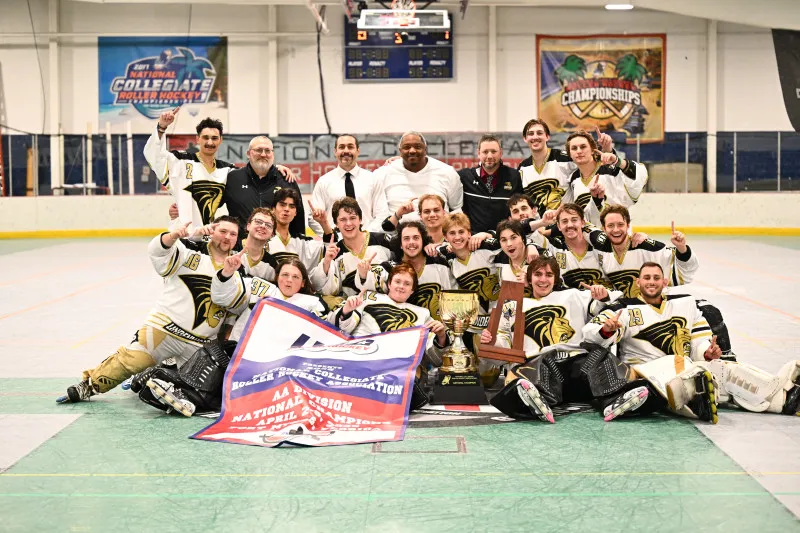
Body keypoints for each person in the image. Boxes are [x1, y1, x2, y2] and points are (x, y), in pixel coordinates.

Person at [56, 216, 241, 404]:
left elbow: (234, 310)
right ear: (212, 231)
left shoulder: (238, 267)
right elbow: (157, 252)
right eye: (222, 231)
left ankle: (154, 373)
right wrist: (173, 235)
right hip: (164, 329)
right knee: (132, 360)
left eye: (233, 234)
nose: (227, 237)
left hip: (200, 343)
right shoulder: (189, 251)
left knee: (208, 390)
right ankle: (88, 386)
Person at [583, 263, 800, 421]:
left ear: (665, 282)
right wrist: (606, 329)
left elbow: (699, 340)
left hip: (687, 367)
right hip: (647, 375)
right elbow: (589, 334)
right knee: (682, 367)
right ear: (638, 282)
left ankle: (783, 399)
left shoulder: (686, 304)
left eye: (656, 278)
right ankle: (695, 399)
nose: (651, 282)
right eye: (646, 278)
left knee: (725, 369)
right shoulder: (623, 308)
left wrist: (707, 352)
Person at [135, 257, 326, 417]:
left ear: (303, 282)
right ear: (277, 277)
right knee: (216, 351)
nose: (289, 280)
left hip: (274, 363)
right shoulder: (259, 287)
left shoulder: (311, 304)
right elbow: (222, 295)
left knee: (222, 365)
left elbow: (320, 335)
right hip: (239, 352)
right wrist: (226, 274)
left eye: (295, 277)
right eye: (284, 275)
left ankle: (184, 392)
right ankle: (171, 381)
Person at [479, 256, 628, 423]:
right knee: (530, 370)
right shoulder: (512, 306)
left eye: (549, 275)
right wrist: (491, 342)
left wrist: (603, 294)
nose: (543, 279)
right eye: (538, 274)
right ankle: (538, 400)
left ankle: (614, 401)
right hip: (542, 369)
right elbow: (503, 348)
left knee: (600, 356)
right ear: (529, 278)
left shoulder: (574, 295)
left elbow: (609, 301)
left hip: (578, 368)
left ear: (556, 279)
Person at [328, 263, 450, 409]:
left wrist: (441, 336)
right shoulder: (367, 298)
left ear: (412, 290)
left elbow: (434, 359)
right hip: (363, 360)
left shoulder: (422, 314)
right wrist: (347, 310)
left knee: (408, 381)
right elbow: (341, 328)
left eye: (407, 284)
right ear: (389, 284)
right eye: (397, 281)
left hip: (398, 370)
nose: (401, 286)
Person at [145, 113, 234, 229]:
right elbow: (155, 155)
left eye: (214, 138)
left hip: (209, 235)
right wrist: (161, 127)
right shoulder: (180, 161)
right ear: (197, 139)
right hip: (182, 234)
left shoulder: (227, 170)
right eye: (205, 137)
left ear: (221, 140)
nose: (210, 142)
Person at [356, 220, 455, 321]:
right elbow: (368, 285)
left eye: (416, 238)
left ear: (423, 241)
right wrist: (363, 273)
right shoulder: (389, 268)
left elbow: (453, 296)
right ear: (400, 244)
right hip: (403, 326)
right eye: (406, 238)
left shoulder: (440, 264)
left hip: (438, 326)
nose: (411, 242)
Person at [517, 120, 613, 216]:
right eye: (531, 134)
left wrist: (607, 149)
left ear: (547, 136)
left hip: (567, 221)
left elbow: (594, 162)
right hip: (539, 224)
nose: (535, 137)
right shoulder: (522, 168)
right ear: (525, 138)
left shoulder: (565, 158)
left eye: (539, 133)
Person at [223, 136, 307, 240]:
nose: (263, 154)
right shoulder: (233, 178)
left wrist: (300, 243)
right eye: (258, 150)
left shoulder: (286, 179)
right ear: (248, 153)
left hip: (277, 246)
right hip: (240, 246)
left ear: (273, 154)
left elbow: (298, 216)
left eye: (267, 151)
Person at [373, 131, 463, 224]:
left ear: (425, 149)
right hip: (395, 232)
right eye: (407, 147)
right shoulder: (383, 174)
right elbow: (376, 214)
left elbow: (457, 209)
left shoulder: (447, 172)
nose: (412, 151)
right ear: (400, 151)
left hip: (439, 232)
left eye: (418, 147)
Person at [308, 134, 390, 234]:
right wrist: (332, 236)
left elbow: (382, 214)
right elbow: (314, 218)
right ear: (335, 151)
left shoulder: (372, 179)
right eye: (341, 147)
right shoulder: (323, 182)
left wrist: (366, 236)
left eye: (350, 147)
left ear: (358, 151)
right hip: (335, 241)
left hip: (368, 240)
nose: (346, 151)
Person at [565, 130, 648, 226]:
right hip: (590, 234)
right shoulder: (573, 179)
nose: (579, 151)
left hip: (617, 232)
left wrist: (616, 160)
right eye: (574, 148)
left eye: (583, 147)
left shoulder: (611, 171)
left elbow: (640, 175)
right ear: (569, 154)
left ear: (592, 150)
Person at [319, 197, 394, 298]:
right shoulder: (335, 253)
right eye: (343, 219)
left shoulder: (383, 240)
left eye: (353, 218)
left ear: (360, 219)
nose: (348, 223)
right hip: (354, 306)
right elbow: (328, 290)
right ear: (336, 224)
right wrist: (327, 262)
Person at [458, 134, 523, 234]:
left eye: (493, 151)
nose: (489, 156)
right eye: (485, 152)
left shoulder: (514, 177)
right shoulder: (465, 177)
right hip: (473, 239)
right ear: (478, 153)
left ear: (500, 153)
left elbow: (519, 209)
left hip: (503, 237)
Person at [268, 188, 331, 290]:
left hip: (299, 295)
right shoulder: (262, 239)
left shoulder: (304, 242)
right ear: (273, 209)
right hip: (271, 294)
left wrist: (324, 223)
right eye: (282, 205)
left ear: (295, 212)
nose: (287, 209)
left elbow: (329, 249)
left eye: (292, 206)